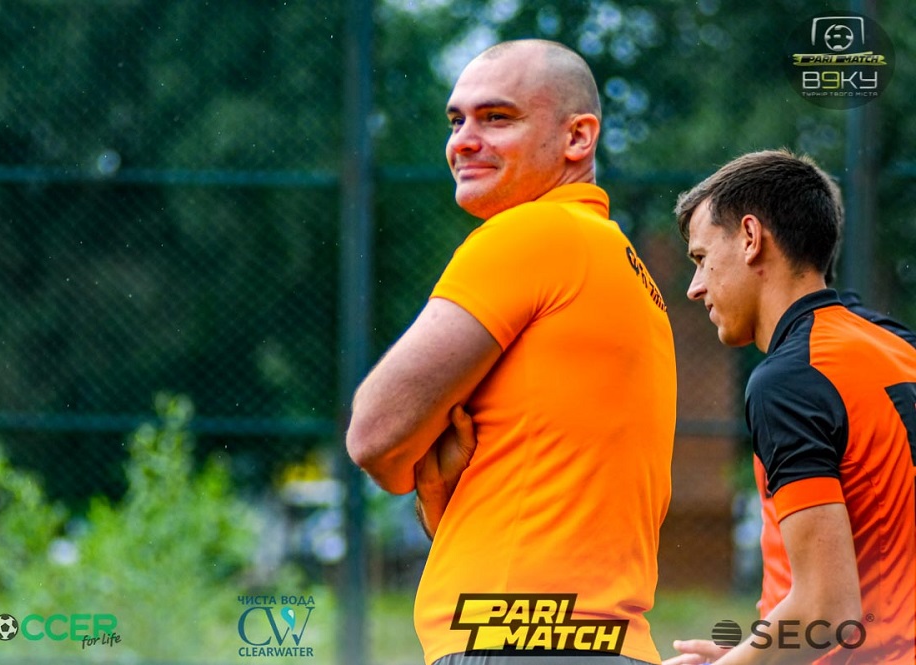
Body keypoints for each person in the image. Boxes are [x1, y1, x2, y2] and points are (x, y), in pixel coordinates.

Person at [346, 39, 676, 665]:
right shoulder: (626, 271)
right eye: (456, 121)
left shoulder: (532, 232)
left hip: (509, 636)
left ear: (578, 137)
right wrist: (437, 486)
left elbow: (376, 436)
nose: (464, 142)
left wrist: (413, 465)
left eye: (497, 118)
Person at [666, 149, 916, 665]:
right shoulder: (898, 348)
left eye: (701, 258)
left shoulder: (790, 380)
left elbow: (827, 611)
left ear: (750, 238)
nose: (695, 287)